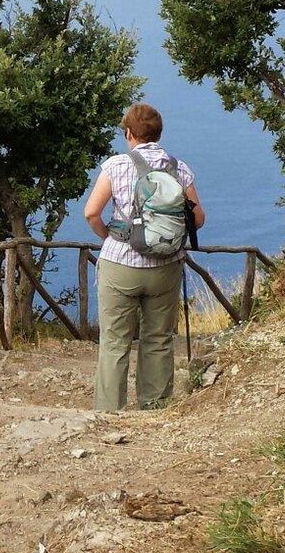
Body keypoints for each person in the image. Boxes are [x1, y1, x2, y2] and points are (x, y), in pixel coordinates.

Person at [84, 102, 206, 411]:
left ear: (128, 132)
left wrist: (111, 238)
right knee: (159, 338)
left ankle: (110, 411)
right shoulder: (179, 168)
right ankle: (155, 407)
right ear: (159, 133)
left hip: (120, 265)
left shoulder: (116, 165)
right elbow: (199, 218)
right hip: (165, 267)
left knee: (114, 342)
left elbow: (91, 212)